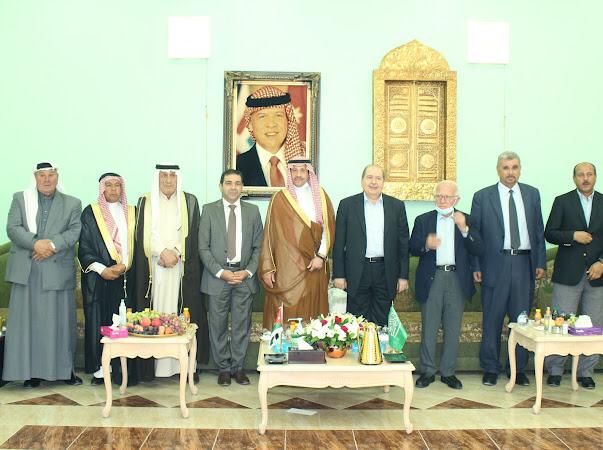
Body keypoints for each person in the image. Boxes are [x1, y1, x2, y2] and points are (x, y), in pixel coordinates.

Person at [2, 162, 82, 388]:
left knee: (60, 324)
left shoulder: (72, 203)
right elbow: (12, 228)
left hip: (56, 270)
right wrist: (35, 244)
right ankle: (31, 373)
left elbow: (75, 231)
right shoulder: (20, 199)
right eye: (42, 175)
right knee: (28, 325)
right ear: (35, 177)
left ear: (57, 176)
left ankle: (64, 371)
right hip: (27, 270)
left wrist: (52, 245)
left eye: (51, 175)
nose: (47, 179)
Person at [470, 151, 546, 387]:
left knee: (521, 320)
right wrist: (476, 265)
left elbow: (538, 230)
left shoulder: (532, 194)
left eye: (514, 167)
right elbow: (475, 235)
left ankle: (517, 368)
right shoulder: (483, 196)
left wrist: (540, 262)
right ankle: (490, 367)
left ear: (520, 169)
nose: (510, 172)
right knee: (492, 319)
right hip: (495, 264)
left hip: (524, 263)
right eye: (505, 168)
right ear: (498, 170)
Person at [134, 164, 209, 380]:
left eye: (172, 176)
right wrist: (162, 252)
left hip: (180, 267)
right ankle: (155, 367)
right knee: (156, 312)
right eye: (164, 176)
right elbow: (142, 234)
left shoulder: (189, 201)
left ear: (178, 179)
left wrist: (175, 252)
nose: (168, 180)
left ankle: (183, 366)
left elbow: (192, 233)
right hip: (155, 267)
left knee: (181, 313)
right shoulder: (145, 201)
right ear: (157, 178)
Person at [410, 181, 483, 390]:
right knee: (430, 327)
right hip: (432, 278)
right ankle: (427, 371)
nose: (442, 200)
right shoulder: (423, 219)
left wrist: (464, 229)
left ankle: (448, 372)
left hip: (457, 278)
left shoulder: (467, 219)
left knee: (453, 328)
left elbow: (479, 248)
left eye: (447, 196)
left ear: (456, 199)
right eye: (439, 196)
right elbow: (412, 247)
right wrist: (426, 245)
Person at [199, 169, 263, 386]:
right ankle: (223, 369)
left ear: (242, 186)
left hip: (244, 277)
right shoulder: (209, 210)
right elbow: (203, 248)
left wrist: (248, 272)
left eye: (237, 183)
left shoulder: (253, 211)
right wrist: (221, 272)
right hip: (217, 277)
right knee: (217, 325)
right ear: (221, 186)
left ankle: (238, 368)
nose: (233, 187)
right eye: (228, 183)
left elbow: (259, 247)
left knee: (241, 325)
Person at [544, 162, 603, 389]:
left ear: (595, 177)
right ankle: (555, 370)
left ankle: (586, 372)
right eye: (581, 175)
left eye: (589, 174)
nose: (585, 178)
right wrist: (573, 236)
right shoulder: (562, 201)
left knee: (593, 325)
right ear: (574, 178)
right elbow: (550, 233)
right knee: (560, 323)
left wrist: (601, 263)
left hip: (597, 274)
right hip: (568, 273)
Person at [260, 159, 335, 328]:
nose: (299, 174)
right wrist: (268, 268)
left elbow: (328, 229)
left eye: (303, 170)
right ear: (289, 172)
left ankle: (310, 343)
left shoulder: (321, 196)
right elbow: (269, 235)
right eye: (294, 170)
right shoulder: (279, 198)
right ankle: (283, 342)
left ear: (309, 172)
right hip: (286, 268)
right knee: (284, 313)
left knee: (312, 315)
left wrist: (321, 256)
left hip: (313, 264)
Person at [332, 165, 409, 326]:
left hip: (385, 271)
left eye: (378, 178)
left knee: (382, 320)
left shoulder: (396, 206)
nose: (374, 182)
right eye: (369, 177)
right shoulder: (347, 205)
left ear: (383, 182)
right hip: (357, 271)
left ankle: (379, 343)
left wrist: (403, 276)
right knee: (356, 321)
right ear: (362, 181)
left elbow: (403, 244)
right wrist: (339, 274)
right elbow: (338, 243)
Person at [78, 173, 137, 385]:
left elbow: (137, 244)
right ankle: (101, 370)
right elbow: (85, 246)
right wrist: (103, 269)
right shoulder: (91, 213)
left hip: (125, 276)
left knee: (122, 321)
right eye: (109, 185)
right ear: (102, 189)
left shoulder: (132, 212)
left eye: (117, 185)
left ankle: (121, 368)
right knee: (100, 321)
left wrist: (124, 265)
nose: (113, 189)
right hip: (99, 278)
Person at [236, 86, 306, 187]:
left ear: (288, 120)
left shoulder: (306, 159)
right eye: (262, 116)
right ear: (250, 124)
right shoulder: (237, 166)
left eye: (278, 115)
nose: (271, 124)